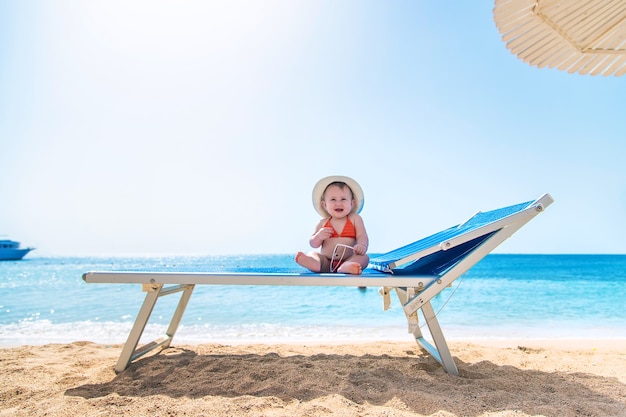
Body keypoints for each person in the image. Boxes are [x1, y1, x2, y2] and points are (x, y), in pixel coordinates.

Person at [295, 175, 369, 275]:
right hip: (326, 262)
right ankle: (314, 263)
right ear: (324, 205)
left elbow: (362, 235)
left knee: (364, 258)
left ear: (352, 203)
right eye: (333, 199)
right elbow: (313, 244)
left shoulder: (355, 219)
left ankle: (346, 266)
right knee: (313, 254)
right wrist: (319, 236)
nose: (338, 203)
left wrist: (362, 245)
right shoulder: (323, 223)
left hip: (349, 259)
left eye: (343, 199)